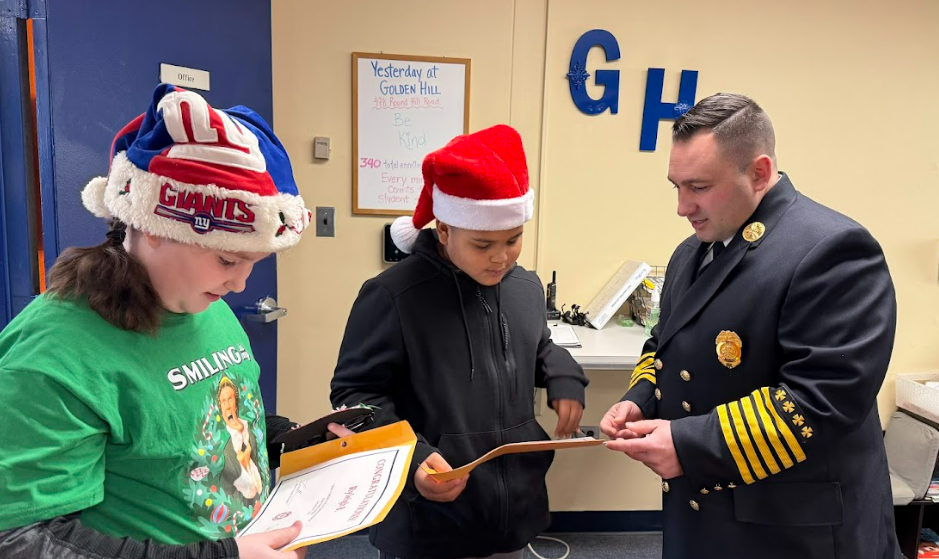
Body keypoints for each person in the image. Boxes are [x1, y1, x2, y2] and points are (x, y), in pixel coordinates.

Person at [0, 83, 348, 559]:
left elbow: (192, 428)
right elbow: (21, 542)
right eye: (227, 260)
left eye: (255, 262)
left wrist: (291, 438)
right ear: (153, 227)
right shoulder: (52, 356)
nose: (241, 284)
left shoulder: (201, 301)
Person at [600, 92, 899, 558]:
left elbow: (821, 400)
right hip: (706, 516)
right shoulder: (691, 253)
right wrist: (639, 399)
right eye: (675, 186)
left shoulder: (833, 250)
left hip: (792, 531)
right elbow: (662, 344)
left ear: (759, 172)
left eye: (698, 187)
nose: (682, 207)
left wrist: (687, 443)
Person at [331, 124, 588, 559]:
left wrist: (563, 375)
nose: (501, 257)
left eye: (513, 239)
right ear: (446, 229)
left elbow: (539, 343)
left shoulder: (524, 286)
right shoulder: (393, 296)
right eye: (483, 243)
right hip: (430, 519)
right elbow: (356, 394)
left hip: (512, 514)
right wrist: (414, 460)